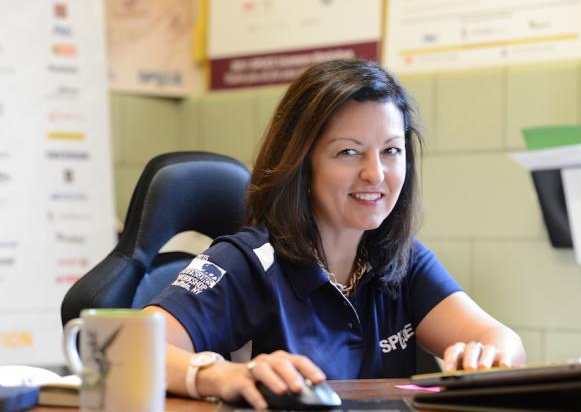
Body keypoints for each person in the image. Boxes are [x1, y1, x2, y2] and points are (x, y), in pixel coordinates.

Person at [145, 59, 525, 409]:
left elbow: (503, 341)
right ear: (301, 163)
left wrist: (489, 355)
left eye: (391, 151)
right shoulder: (247, 261)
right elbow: (135, 351)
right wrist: (223, 374)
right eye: (348, 152)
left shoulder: (401, 258)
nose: (375, 174)